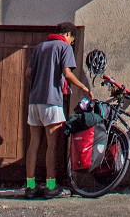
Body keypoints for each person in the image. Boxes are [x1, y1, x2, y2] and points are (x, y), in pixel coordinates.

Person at [24, 22, 90, 199]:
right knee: (52, 146)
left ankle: (30, 186)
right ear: (68, 34)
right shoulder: (64, 47)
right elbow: (67, 73)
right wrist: (82, 87)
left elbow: (28, 74)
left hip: (34, 102)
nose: (71, 42)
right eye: (72, 39)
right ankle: (51, 186)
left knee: (34, 144)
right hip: (52, 102)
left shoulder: (39, 48)